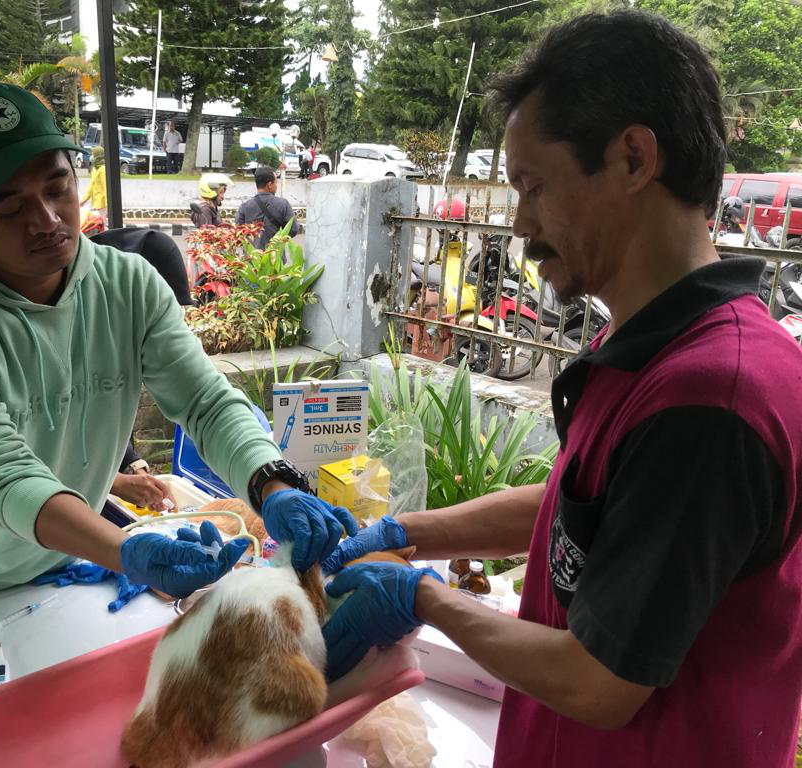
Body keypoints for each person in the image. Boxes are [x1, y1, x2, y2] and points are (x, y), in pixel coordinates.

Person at [319, 11, 802, 767]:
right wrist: (405, 535)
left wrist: (423, 598)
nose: (520, 225)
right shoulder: (651, 349)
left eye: (534, 187)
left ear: (633, 158)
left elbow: (601, 681)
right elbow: (576, 512)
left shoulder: (712, 399)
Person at [0, 82, 357, 616]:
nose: (47, 220)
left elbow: (204, 401)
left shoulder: (129, 284)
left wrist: (273, 481)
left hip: (58, 560)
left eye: (57, 189)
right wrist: (123, 548)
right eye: (9, 208)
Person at [89, 226, 195, 513]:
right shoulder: (72, 334)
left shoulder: (113, 332)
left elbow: (203, 400)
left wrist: (133, 466)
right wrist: (114, 482)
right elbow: (29, 453)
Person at [235, 165, 299, 248]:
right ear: (269, 184)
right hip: (275, 257)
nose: (276, 185)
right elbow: (293, 229)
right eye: (276, 182)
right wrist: (279, 240)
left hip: (252, 258)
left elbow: (238, 232)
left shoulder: (244, 206)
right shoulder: (283, 204)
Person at [80, 145, 107, 225]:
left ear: (98, 156)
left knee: (101, 224)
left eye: (93, 154)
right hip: (95, 203)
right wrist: (83, 201)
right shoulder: (94, 169)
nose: (91, 156)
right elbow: (91, 187)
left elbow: (106, 187)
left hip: (102, 203)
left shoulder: (103, 169)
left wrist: (106, 203)